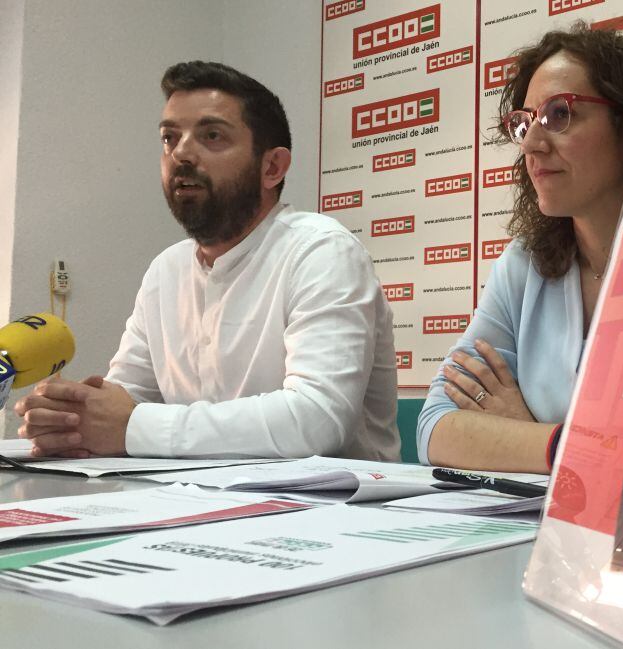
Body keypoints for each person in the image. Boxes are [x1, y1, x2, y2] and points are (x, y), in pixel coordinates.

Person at [15, 61, 400, 460]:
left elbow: (317, 420)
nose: (181, 153)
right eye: (169, 138)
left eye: (211, 135)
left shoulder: (320, 251)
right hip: (190, 502)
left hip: (334, 511)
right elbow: (124, 399)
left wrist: (133, 427)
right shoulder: (166, 271)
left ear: (272, 167)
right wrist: (74, 422)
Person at [417, 25, 623, 473]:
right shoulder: (525, 263)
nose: (532, 144)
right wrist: (557, 444)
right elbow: (435, 427)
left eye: (559, 115)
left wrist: (522, 427)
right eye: (525, 122)